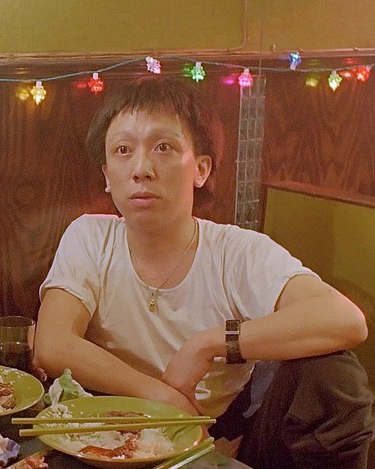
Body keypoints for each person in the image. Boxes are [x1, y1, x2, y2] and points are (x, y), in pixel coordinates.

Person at [33, 76, 374, 468]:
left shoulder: (236, 251)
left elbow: (345, 320)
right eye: (123, 150)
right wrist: (163, 398)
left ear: (201, 169)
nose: (141, 169)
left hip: (217, 443)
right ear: (108, 176)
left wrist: (210, 343)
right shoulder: (90, 236)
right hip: (106, 440)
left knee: (333, 373)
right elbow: (53, 344)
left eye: (163, 147)